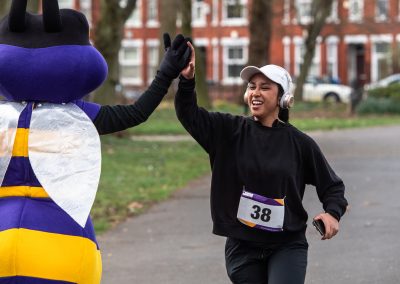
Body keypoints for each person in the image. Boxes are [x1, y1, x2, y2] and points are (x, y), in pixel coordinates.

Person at [175, 42, 348, 284]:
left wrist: (332, 213)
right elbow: (188, 113)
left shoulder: (300, 143)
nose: (256, 92)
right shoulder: (227, 131)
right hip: (242, 246)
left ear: (283, 98)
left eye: (265, 87)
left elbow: (332, 186)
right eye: (252, 86)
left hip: (287, 244)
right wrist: (186, 80)